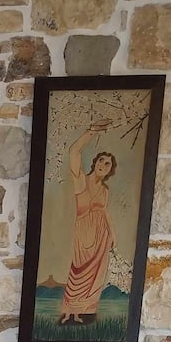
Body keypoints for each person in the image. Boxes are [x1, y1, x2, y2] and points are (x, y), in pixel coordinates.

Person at [59, 124, 117, 325]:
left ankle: (81, 312)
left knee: (94, 274)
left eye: (108, 164)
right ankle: (69, 311)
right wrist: (90, 131)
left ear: (110, 170)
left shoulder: (105, 190)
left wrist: (113, 234)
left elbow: (105, 212)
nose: (104, 165)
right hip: (83, 232)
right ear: (95, 162)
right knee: (78, 271)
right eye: (101, 160)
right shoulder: (81, 180)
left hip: (101, 234)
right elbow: (74, 152)